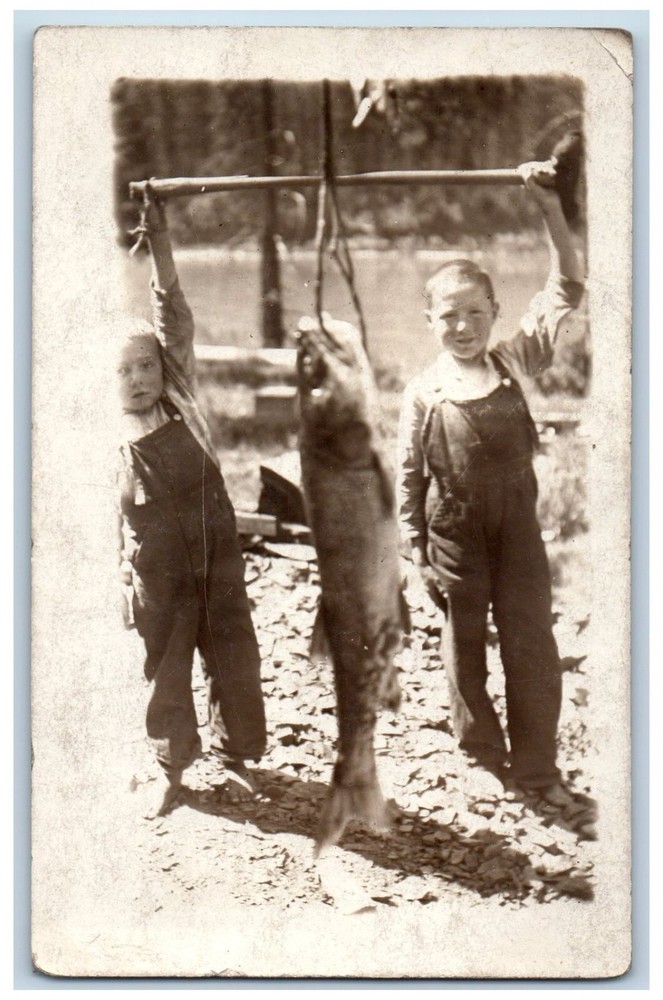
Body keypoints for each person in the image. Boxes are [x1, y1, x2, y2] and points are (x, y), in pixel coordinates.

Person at [397, 162, 585, 806]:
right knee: (464, 643)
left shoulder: (515, 361)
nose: (463, 328)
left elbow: (567, 286)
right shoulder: (423, 392)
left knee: (531, 640)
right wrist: (414, 545)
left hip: (518, 530)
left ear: (495, 314)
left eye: (475, 314)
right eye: (448, 316)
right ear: (430, 321)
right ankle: (480, 752)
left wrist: (549, 209)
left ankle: (537, 767)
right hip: (453, 535)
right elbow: (408, 476)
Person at [116, 189, 267, 818]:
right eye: (121, 371)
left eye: (144, 363)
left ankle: (235, 761)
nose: (137, 378)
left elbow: (171, 312)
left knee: (232, 651)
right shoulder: (106, 436)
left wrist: (161, 240)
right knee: (167, 666)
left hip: (215, 550)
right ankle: (172, 768)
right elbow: (109, 522)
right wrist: (122, 578)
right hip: (157, 571)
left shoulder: (179, 395)